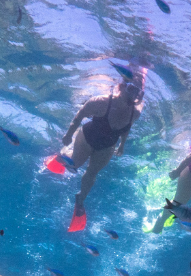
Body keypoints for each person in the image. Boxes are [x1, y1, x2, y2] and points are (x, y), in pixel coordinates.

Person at [59, 78, 144, 231]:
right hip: (87, 137)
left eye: (138, 91)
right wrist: (68, 135)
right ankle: (63, 153)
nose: (134, 94)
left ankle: (80, 200)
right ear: (122, 87)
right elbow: (80, 115)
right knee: (74, 164)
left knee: (92, 172)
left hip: (107, 147)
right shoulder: (102, 102)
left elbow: (127, 128)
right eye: (131, 89)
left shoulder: (135, 113)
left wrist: (122, 145)